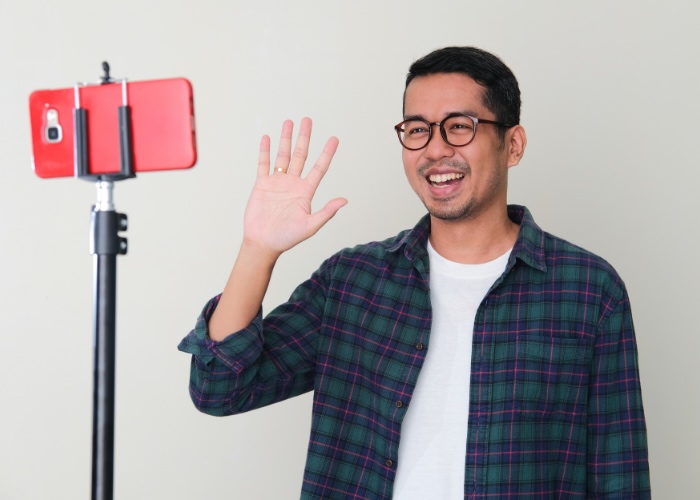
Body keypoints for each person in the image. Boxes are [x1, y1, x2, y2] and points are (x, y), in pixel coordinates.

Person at [178, 46, 650, 499]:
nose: (435, 149)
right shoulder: (353, 281)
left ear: (513, 144)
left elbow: (619, 478)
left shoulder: (588, 291)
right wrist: (257, 249)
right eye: (418, 129)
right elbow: (219, 388)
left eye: (459, 127)